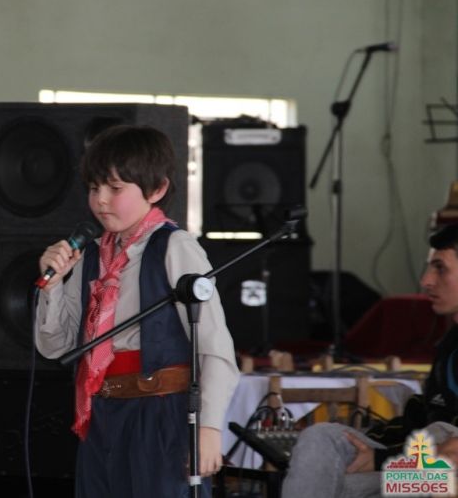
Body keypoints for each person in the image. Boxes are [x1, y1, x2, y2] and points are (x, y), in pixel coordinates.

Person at [34, 124, 239, 498]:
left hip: (159, 415)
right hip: (101, 413)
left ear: (156, 189)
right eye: (93, 188)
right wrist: (55, 285)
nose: (101, 200)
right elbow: (56, 346)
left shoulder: (174, 246)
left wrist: (209, 428)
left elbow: (214, 345)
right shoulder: (91, 255)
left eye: (115, 188)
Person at [281, 223, 458, 497]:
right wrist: (369, 446)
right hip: (415, 461)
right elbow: (420, 420)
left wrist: (380, 459)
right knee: (323, 438)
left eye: (440, 268)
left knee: (441, 437)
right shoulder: (450, 344)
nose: (426, 280)